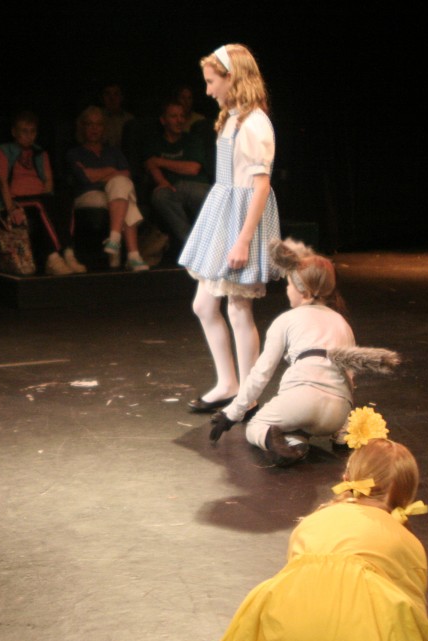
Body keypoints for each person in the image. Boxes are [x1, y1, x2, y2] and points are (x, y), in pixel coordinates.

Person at [200, 432, 428, 641]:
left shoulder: (311, 522)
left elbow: (295, 580)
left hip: (293, 637)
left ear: (347, 479)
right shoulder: (407, 541)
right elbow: (414, 612)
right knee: (402, 625)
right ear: (408, 495)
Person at [208, 240, 399, 465]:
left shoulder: (286, 319)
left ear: (306, 293)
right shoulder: (342, 323)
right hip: (336, 413)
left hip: (301, 401)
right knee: (300, 425)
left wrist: (232, 413)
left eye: (289, 284)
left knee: (256, 426)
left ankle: (274, 441)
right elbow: (349, 376)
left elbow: (261, 372)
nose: (287, 289)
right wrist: (344, 425)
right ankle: (302, 442)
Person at [179, 44, 281, 413]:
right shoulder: (233, 118)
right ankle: (228, 383)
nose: (208, 91)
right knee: (204, 305)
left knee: (238, 308)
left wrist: (243, 240)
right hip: (224, 212)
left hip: (241, 219)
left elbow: (261, 187)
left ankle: (247, 397)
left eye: (212, 82)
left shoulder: (255, 124)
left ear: (232, 78)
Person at [0, 111, 85, 275]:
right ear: (14, 132)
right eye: (24, 131)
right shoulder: (3, 151)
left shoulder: (40, 153)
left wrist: (48, 199)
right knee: (41, 204)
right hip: (16, 199)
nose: (29, 136)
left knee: (65, 200)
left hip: (40, 198)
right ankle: (53, 257)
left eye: (32, 131)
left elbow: (48, 180)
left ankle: (68, 253)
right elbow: (2, 181)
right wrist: (11, 209)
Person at [66, 106, 148, 271]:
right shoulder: (74, 153)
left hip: (114, 195)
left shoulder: (113, 152)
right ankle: (132, 255)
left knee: (121, 184)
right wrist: (111, 170)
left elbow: (126, 174)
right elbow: (85, 178)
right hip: (89, 194)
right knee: (125, 196)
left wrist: (98, 174)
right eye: (89, 124)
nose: (94, 129)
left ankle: (115, 240)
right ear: (82, 127)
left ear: (104, 128)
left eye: (99, 124)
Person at [145, 99, 211, 244]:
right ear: (163, 120)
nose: (179, 120)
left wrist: (160, 161)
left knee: (205, 195)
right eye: (174, 116)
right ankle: (191, 243)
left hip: (196, 187)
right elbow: (150, 165)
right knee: (159, 195)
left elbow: (193, 168)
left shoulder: (192, 140)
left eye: (182, 116)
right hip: (172, 189)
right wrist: (162, 181)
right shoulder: (155, 142)